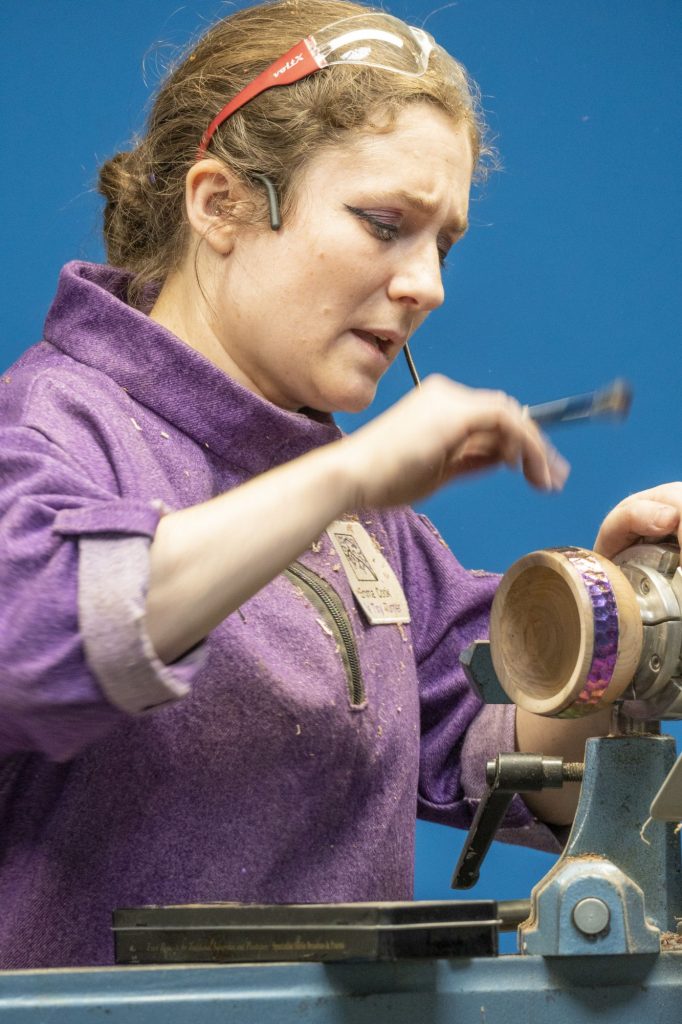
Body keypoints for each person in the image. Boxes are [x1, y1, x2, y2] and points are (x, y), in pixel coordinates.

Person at [0, 0, 680, 971]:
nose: (427, 285)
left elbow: (503, 755)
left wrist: (613, 622)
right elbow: (36, 636)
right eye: (383, 224)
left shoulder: (347, 509)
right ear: (220, 204)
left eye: (442, 244)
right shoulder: (49, 428)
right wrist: (346, 475)